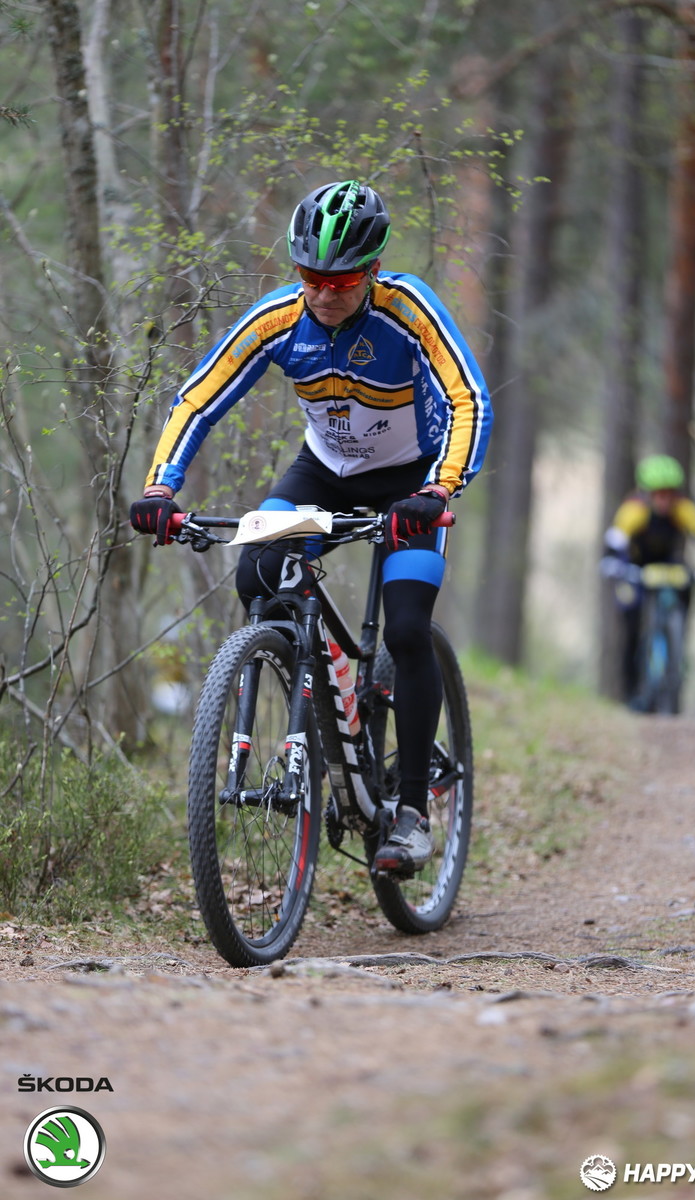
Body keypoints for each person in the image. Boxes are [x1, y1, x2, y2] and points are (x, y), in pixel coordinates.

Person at [130, 179, 493, 872]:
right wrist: (159, 488)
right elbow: (198, 398)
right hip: (322, 473)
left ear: (374, 270)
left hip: (413, 484)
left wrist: (439, 487)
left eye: (341, 280)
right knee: (257, 573)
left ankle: (411, 812)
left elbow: (468, 398)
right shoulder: (278, 318)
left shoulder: (409, 310)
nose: (323, 293)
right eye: (310, 277)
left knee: (407, 627)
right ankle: (320, 709)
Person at [600, 454, 695, 706]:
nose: (665, 500)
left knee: (684, 595)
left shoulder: (684, 510)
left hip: (669, 567)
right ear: (647, 494)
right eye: (659, 494)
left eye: (669, 494)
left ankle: (675, 675)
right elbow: (615, 542)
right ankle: (630, 692)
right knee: (631, 622)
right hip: (637, 566)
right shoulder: (633, 511)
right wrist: (611, 562)